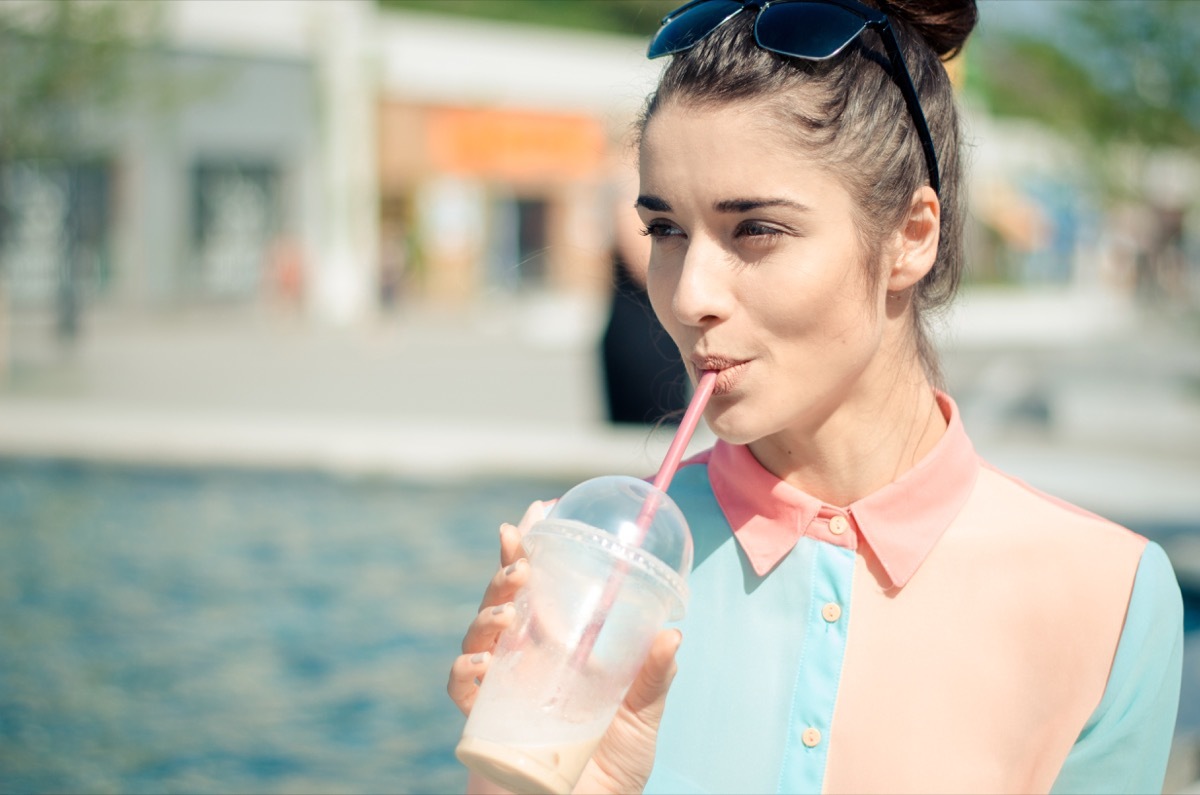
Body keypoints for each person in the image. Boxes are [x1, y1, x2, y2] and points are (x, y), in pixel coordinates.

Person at [448, 0, 1185, 792]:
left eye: (755, 229)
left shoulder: (1110, 598)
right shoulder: (588, 577)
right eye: (665, 231)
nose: (689, 293)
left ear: (911, 236)